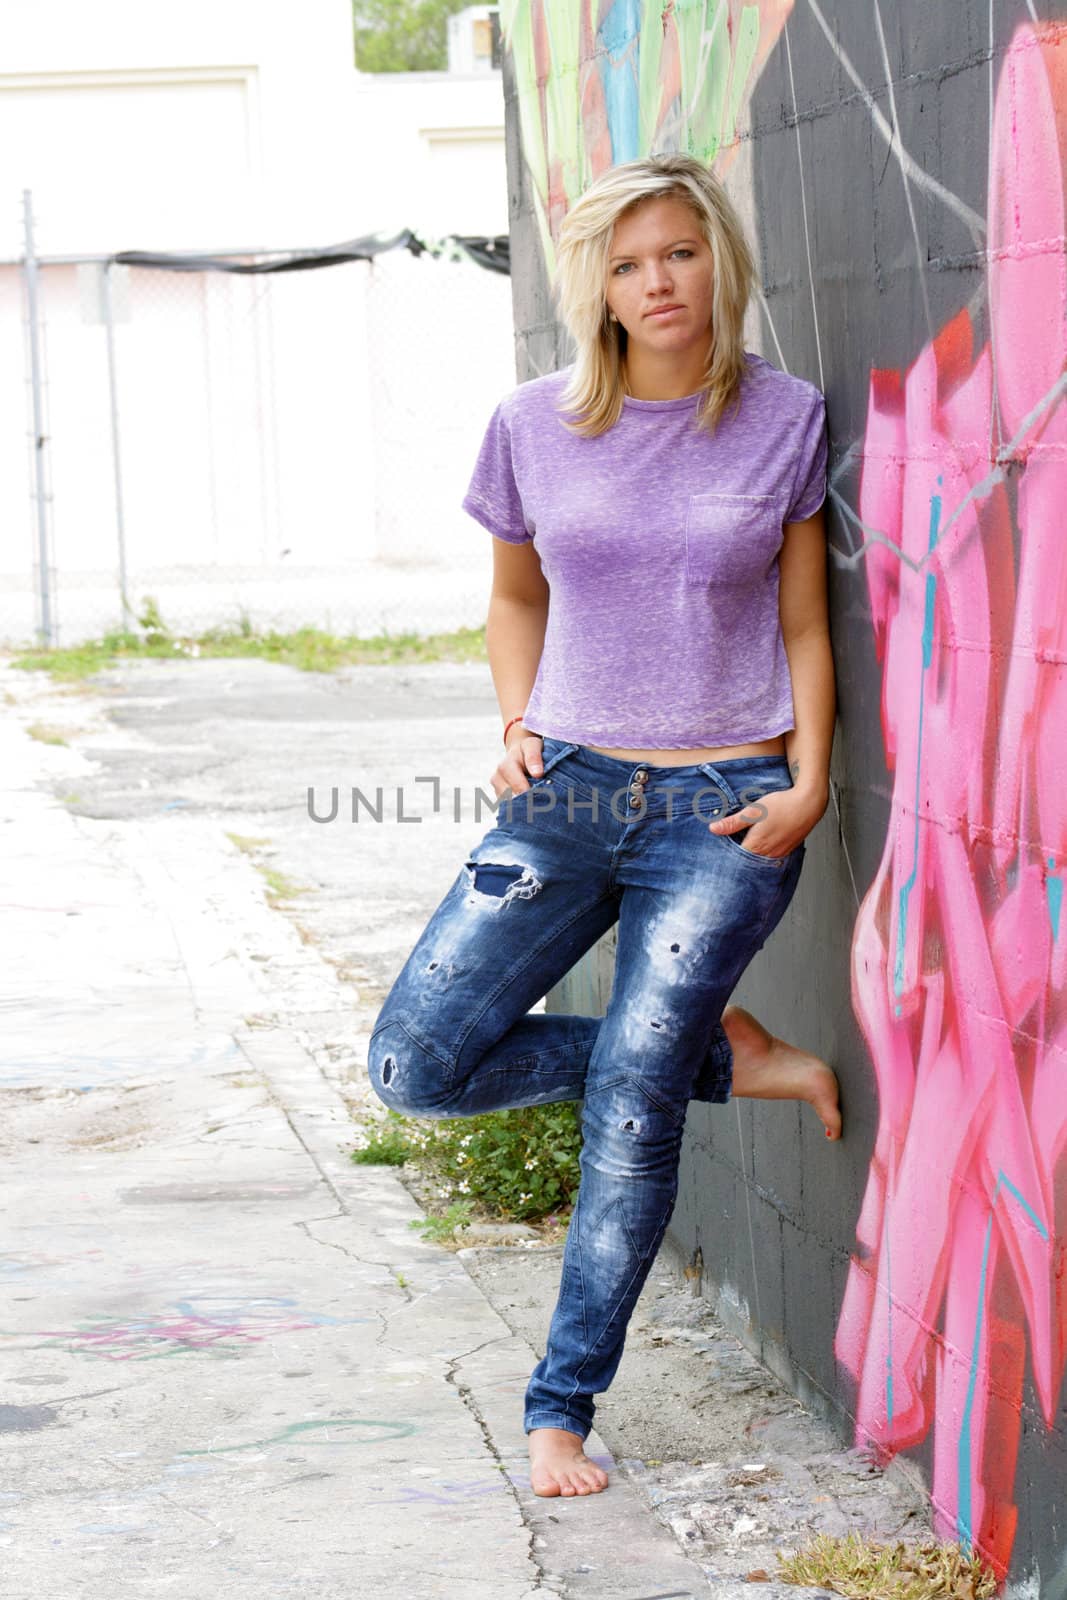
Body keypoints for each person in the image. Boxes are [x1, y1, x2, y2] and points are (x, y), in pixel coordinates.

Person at [367, 152, 839, 1501]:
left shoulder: (786, 418)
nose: (658, 283)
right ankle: (724, 1057)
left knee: (631, 1107)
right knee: (417, 1065)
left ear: (719, 263)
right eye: (630, 264)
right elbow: (516, 598)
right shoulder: (531, 424)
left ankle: (559, 1414)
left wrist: (808, 780)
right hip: (566, 787)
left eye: (680, 254)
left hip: (725, 802)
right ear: (600, 288)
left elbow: (804, 622)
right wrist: (513, 723)